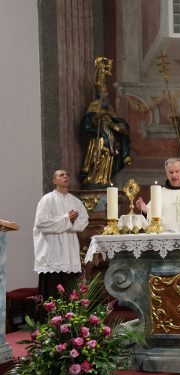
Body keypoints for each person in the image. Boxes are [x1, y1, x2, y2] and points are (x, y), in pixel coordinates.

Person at [33, 170, 89, 301]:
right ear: (54, 181)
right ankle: (49, 314)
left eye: (67, 175)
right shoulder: (47, 200)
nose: (65, 176)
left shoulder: (76, 202)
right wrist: (66, 219)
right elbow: (41, 223)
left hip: (69, 253)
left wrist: (68, 223)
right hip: (52, 252)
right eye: (61, 175)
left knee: (70, 292)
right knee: (52, 292)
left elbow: (83, 221)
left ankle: (71, 315)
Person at [81, 57, 132, 187]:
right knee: (100, 154)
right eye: (102, 91)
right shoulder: (94, 105)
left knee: (109, 156)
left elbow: (114, 119)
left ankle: (105, 179)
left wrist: (116, 126)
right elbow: (89, 121)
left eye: (105, 91)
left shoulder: (109, 107)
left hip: (110, 136)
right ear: (98, 93)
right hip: (100, 136)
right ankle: (94, 178)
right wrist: (98, 116)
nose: (104, 94)